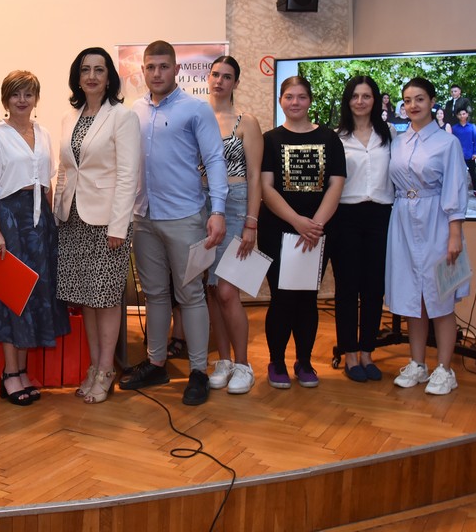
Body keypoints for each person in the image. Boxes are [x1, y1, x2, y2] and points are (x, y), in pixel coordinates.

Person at [118, 40, 227, 406]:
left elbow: (215, 159)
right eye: (150, 67)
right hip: (144, 216)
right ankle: (156, 363)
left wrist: (218, 211)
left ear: (177, 69)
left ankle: (198, 371)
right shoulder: (134, 110)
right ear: (143, 71)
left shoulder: (195, 109)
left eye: (164, 66)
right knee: (155, 295)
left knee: (191, 294)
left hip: (185, 217)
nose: (157, 73)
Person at [0, 71, 71, 405]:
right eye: (15, 94)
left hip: (39, 223)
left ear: (35, 99)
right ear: (6, 99)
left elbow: (47, 183)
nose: (22, 100)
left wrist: (51, 225)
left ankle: (23, 371)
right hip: (9, 221)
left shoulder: (43, 134)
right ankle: (9, 374)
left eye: (28, 94)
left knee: (34, 296)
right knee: (11, 296)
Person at [54, 47, 141, 404]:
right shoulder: (69, 117)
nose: (91, 76)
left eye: (99, 70)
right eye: (85, 70)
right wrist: (57, 211)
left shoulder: (123, 117)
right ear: (78, 77)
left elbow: (128, 175)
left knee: (105, 299)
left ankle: (106, 369)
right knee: (86, 298)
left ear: (109, 78)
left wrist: (118, 225)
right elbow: (65, 170)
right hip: (73, 219)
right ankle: (94, 365)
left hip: (108, 222)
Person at [260, 76, 345, 390]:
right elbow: (266, 188)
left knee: (307, 299)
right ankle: (277, 361)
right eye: (289, 97)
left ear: (310, 101)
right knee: (281, 298)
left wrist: (314, 225)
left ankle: (305, 362)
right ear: (281, 101)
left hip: (317, 233)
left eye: (301, 97)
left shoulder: (329, 139)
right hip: (278, 230)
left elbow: (336, 184)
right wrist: (297, 221)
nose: (295, 102)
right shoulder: (270, 140)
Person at [386, 77, 469, 396]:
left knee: (440, 296)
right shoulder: (398, 142)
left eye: (419, 99)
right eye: (407, 100)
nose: (413, 105)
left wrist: (455, 234)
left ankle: (445, 369)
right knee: (412, 298)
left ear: (432, 102)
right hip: (403, 221)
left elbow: (455, 188)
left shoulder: (447, 143)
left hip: (437, 221)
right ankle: (417, 363)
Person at [203, 56, 262, 395]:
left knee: (227, 290)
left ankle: (243, 364)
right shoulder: (198, 118)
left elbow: (254, 175)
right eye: (215, 74)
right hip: (202, 206)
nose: (220, 81)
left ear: (236, 83)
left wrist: (252, 222)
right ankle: (223, 360)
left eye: (227, 77)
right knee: (211, 290)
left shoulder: (246, 121)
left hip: (237, 204)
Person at [330, 76, 392, 383]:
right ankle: (350, 354)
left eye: (366, 96)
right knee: (347, 289)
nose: (360, 101)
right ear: (348, 100)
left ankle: (368, 352)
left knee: (373, 288)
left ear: (375, 100)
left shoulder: (390, 135)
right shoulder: (336, 137)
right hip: (345, 217)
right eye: (355, 96)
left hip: (381, 216)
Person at [452, 108, 476, 200]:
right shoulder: (454, 128)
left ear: (467, 114)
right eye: (460, 114)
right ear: (457, 116)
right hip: (458, 155)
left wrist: (475, 152)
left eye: (463, 114)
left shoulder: (472, 127)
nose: (462, 116)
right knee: (457, 175)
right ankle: (457, 192)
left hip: (469, 154)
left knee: (473, 174)